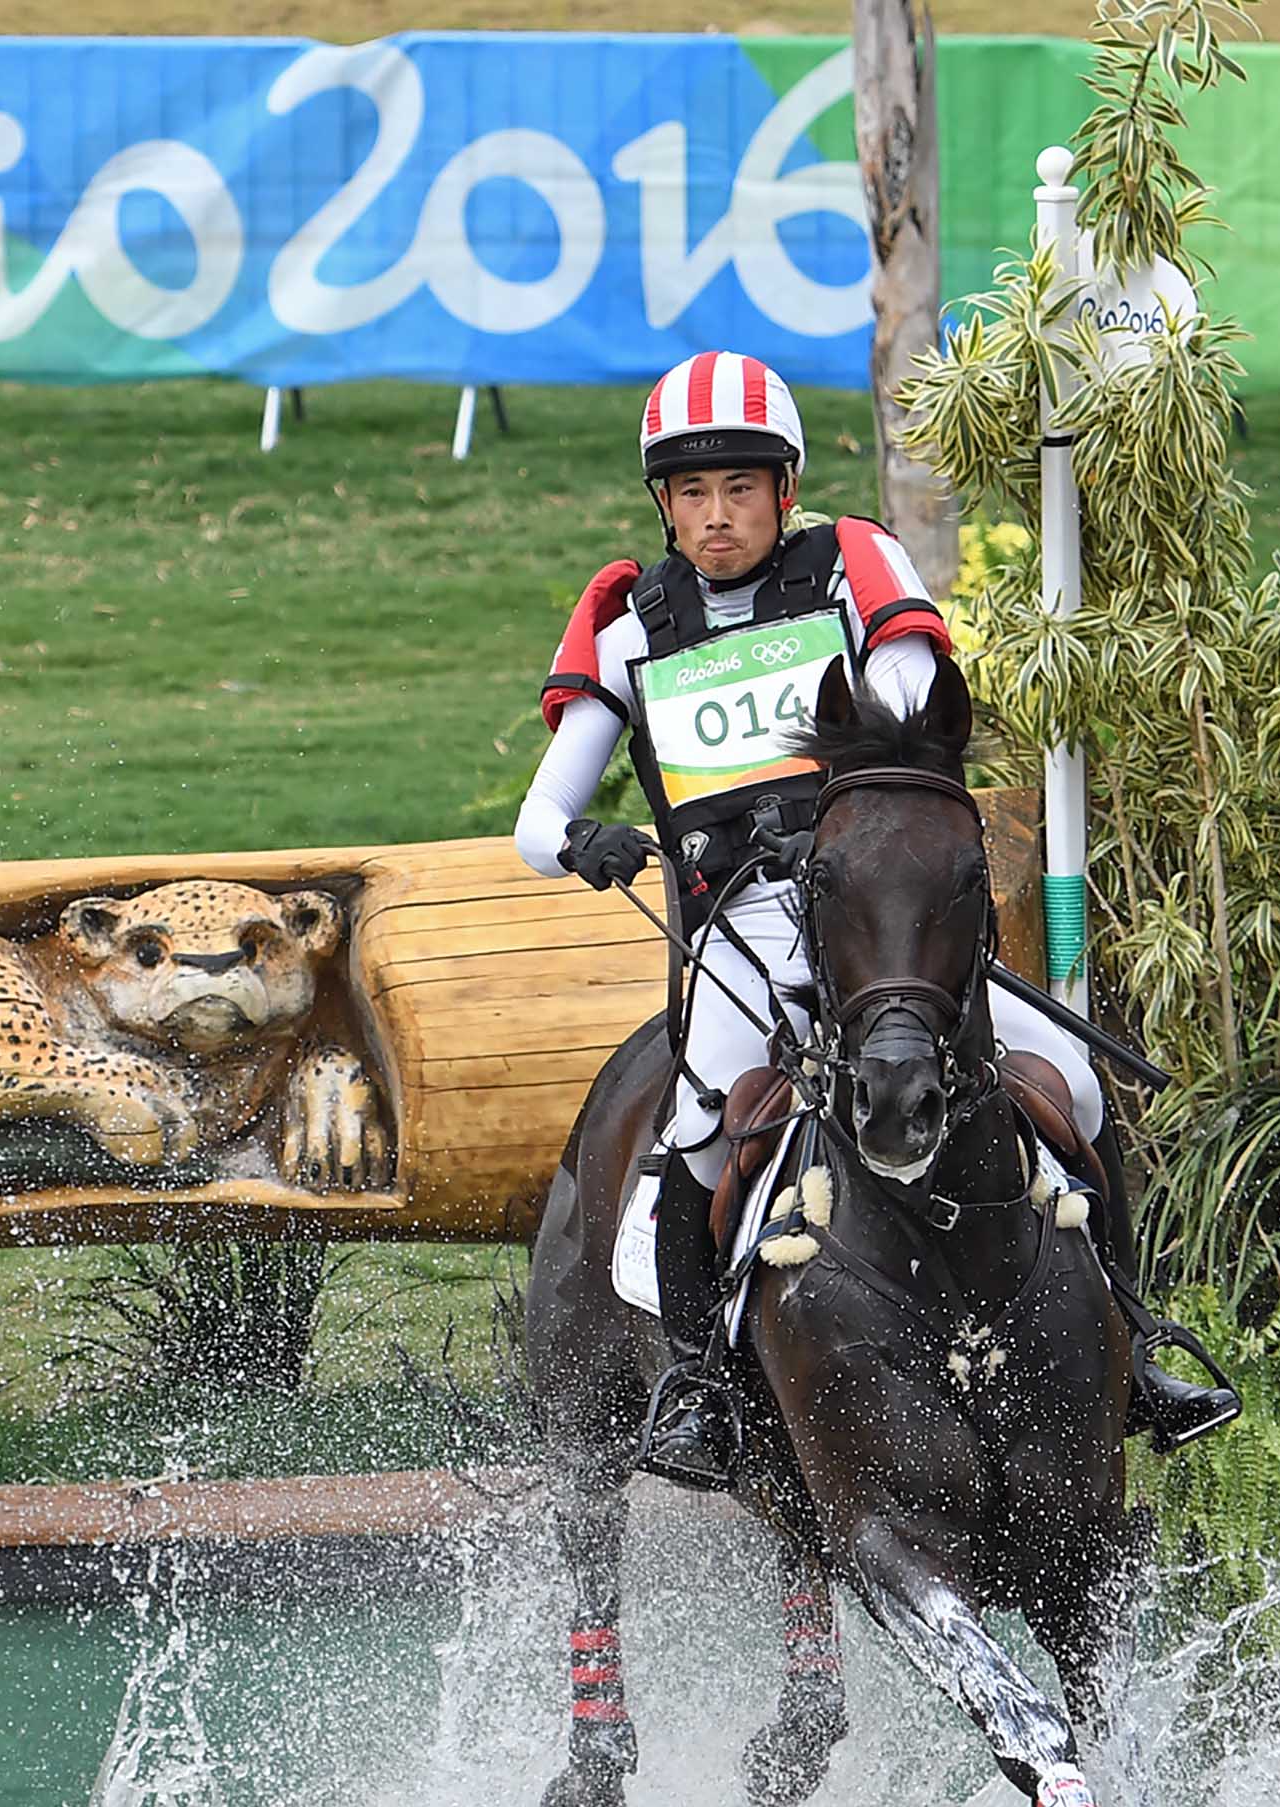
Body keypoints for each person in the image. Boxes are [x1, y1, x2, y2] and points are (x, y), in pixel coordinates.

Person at [517, 350, 1237, 1487]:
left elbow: (907, 707)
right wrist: (583, 842)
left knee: (1075, 1084)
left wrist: (855, 825)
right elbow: (537, 816)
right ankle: (705, 1386)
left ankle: (1138, 1347)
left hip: (879, 907)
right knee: (702, 1134)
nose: (717, 518)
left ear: (783, 489)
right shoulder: (629, 628)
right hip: (747, 931)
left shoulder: (854, 570)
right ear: (664, 502)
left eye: (740, 489)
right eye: (692, 495)